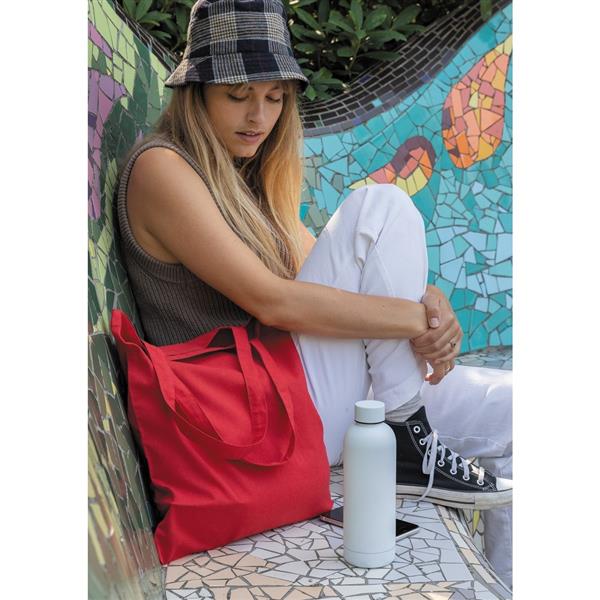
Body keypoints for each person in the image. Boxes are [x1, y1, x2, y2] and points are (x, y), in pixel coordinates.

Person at [116, 0, 512, 587]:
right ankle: (403, 428)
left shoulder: (246, 176)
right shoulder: (160, 168)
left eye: (275, 97)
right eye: (238, 95)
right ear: (195, 93)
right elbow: (275, 302)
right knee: (380, 205)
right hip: (253, 417)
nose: (259, 115)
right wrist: (412, 319)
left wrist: (428, 303)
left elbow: (337, 280)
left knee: (520, 412)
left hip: (307, 394)